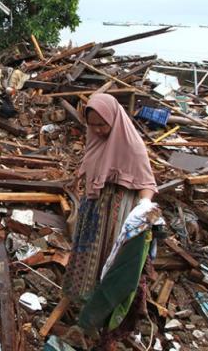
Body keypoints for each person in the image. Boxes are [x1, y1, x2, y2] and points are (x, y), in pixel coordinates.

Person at [61, 93, 158, 349]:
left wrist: (144, 206)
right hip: (93, 211)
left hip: (115, 214)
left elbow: (147, 183)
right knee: (87, 256)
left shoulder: (131, 146)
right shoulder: (95, 139)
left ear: (114, 120)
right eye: (92, 125)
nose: (97, 130)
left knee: (107, 261)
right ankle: (84, 301)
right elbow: (92, 164)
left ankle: (100, 315)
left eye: (102, 125)